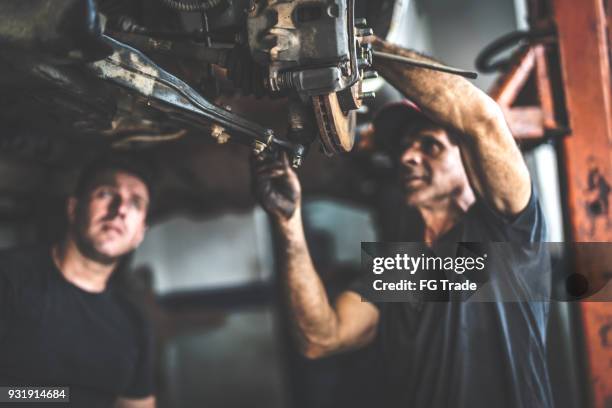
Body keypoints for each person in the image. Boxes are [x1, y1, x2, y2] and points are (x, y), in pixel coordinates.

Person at [252, 36, 552, 407]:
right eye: (402, 148)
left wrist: (359, 44)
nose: (408, 156)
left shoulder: (510, 232)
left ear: (469, 159)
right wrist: (288, 222)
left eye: (430, 145)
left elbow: (482, 118)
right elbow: (321, 337)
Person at [0, 155, 156, 408]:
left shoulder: (134, 323)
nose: (121, 209)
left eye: (136, 203)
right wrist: (66, 397)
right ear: (74, 209)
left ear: (140, 234)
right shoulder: (8, 278)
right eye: (106, 193)